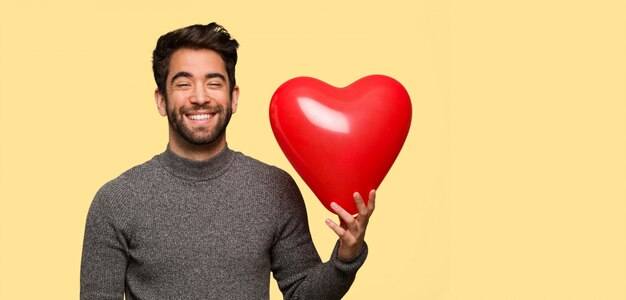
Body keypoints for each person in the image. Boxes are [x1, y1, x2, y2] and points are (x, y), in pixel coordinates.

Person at [80, 22, 375, 300]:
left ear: (233, 98)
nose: (199, 97)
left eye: (214, 83)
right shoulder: (116, 201)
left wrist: (346, 257)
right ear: (161, 100)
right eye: (183, 84)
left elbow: (302, 293)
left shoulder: (274, 189)